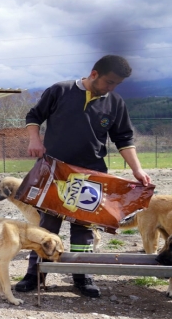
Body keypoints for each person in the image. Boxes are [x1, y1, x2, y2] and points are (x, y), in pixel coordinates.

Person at [17, 54, 152, 298]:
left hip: (92, 175)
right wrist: (35, 139)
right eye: (109, 82)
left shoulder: (115, 103)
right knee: (48, 225)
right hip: (56, 171)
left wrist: (137, 169)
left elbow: (124, 139)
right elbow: (34, 116)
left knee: (84, 227)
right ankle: (36, 274)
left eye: (116, 85)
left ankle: (82, 274)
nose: (111, 88)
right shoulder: (60, 91)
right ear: (94, 74)